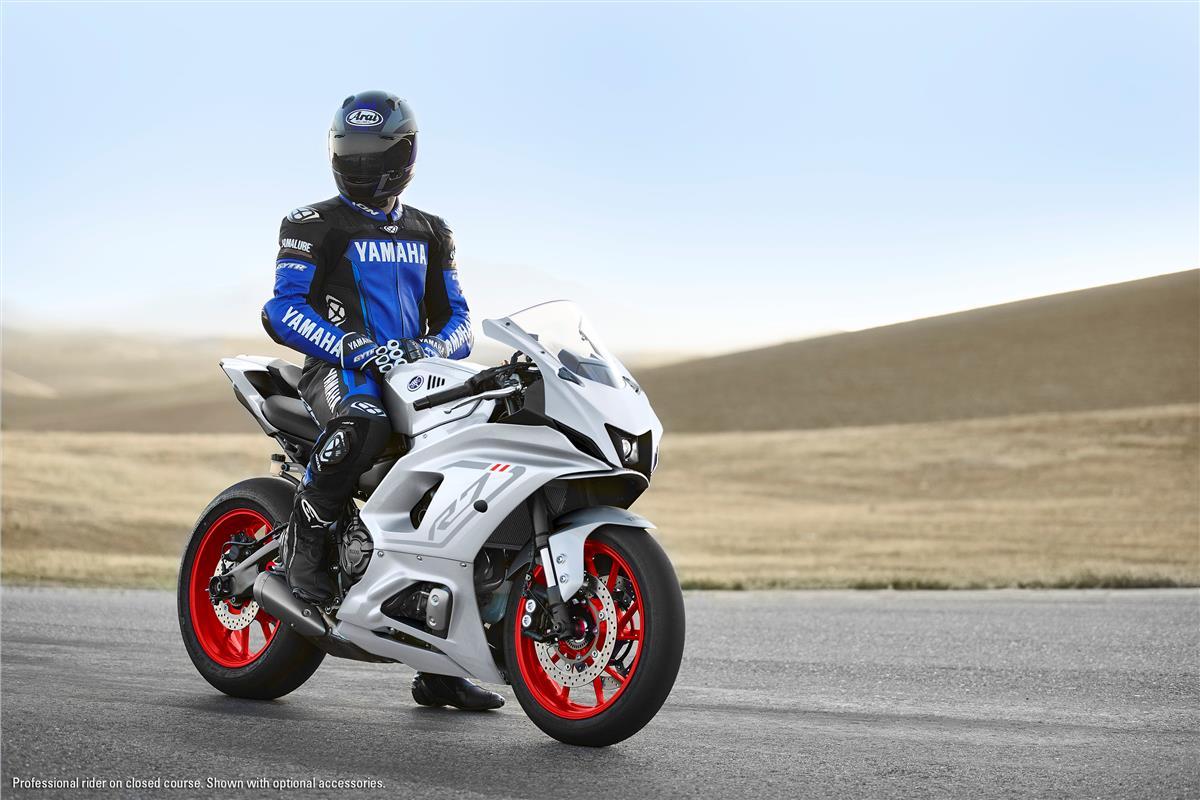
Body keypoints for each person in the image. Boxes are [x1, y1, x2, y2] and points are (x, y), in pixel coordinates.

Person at [261, 90, 502, 711]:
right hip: (340, 370)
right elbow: (282, 308)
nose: (360, 162)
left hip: (417, 376)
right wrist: (350, 346)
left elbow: (459, 320)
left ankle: (442, 666)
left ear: (403, 154)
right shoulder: (312, 223)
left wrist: (429, 347)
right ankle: (305, 548)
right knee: (362, 423)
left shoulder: (431, 230)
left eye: (373, 151)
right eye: (350, 150)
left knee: (457, 490)